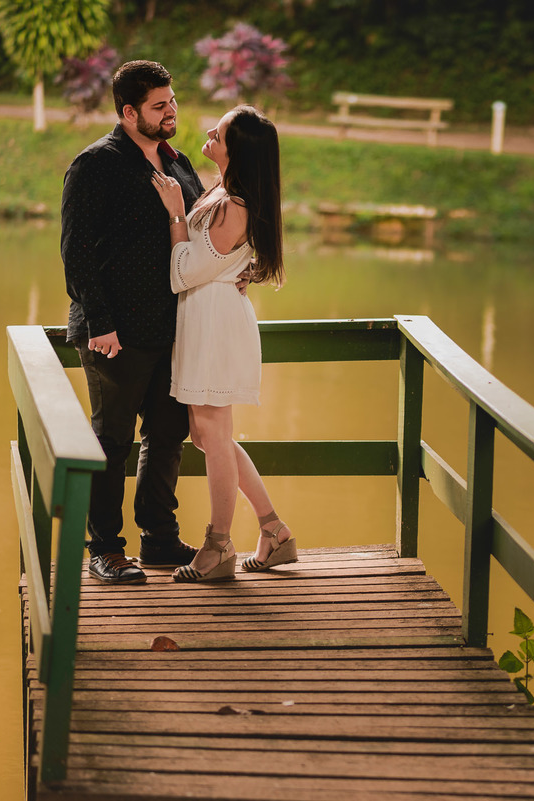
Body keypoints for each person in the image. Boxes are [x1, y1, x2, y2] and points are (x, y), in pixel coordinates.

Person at [62, 60, 206, 584]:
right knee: (111, 439)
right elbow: (75, 252)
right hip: (114, 332)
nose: (172, 112)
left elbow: (192, 236)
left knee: (168, 434)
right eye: (159, 105)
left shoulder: (180, 162)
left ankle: (160, 540)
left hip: (173, 328)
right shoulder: (96, 164)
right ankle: (104, 548)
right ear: (128, 112)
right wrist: (100, 322)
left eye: (173, 101)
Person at [150, 105, 297, 582]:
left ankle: (218, 547)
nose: (210, 131)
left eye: (223, 130)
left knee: (213, 439)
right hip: (204, 318)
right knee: (211, 437)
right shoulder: (223, 193)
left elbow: (183, 273)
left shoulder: (236, 206)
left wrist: (175, 215)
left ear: (239, 150)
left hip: (214, 325)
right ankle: (274, 532)